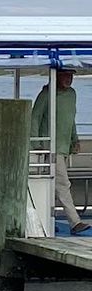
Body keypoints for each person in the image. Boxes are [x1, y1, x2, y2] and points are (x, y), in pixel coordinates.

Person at [31, 68, 91, 234]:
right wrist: (36, 145)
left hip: (63, 147)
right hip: (48, 147)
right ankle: (75, 222)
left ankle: (45, 219)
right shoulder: (46, 94)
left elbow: (71, 119)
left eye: (71, 75)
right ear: (56, 76)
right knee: (62, 184)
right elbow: (35, 118)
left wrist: (75, 139)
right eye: (65, 75)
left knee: (52, 185)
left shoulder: (72, 95)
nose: (69, 78)